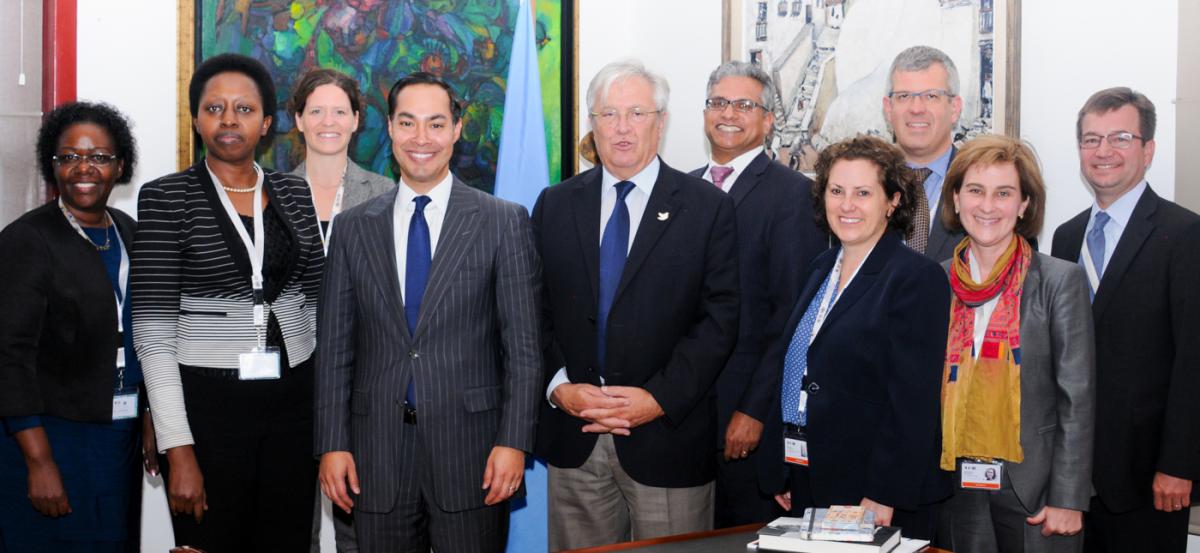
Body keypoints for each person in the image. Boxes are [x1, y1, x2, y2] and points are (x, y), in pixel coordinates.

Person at [314, 71, 541, 553]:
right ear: (390, 129)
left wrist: (515, 441)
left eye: (436, 124)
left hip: (475, 455)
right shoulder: (354, 228)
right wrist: (332, 444)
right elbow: (335, 349)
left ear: (457, 129)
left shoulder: (502, 222)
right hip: (375, 457)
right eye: (408, 123)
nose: (422, 139)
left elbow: (522, 348)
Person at [533, 59, 740, 551]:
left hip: (666, 439)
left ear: (661, 122)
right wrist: (559, 387)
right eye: (608, 114)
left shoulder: (706, 207)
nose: (622, 128)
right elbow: (529, 311)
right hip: (574, 435)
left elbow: (720, 320)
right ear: (593, 124)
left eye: (637, 113)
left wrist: (658, 399)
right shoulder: (555, 204)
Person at [131, 53, 324, 551]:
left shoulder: (295, 192)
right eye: (214, 108)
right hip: (208, 406)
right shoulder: (165, 198)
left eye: (243, 108)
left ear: (266, 123)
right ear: (196, 119)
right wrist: (179, 448)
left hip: (293, 404)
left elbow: (318, 301)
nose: (229, 119)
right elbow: (153, 336)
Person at [766, 135, 950, 540]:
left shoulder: (916, 278)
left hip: (872, 487)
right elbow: (799, 369)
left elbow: (913, 400)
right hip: (810, 474)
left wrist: (884, 492)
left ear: (892, 201)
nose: (847, 205)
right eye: (837, 191)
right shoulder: (820, 266)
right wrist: (785, 467)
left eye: (863, 193)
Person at [1051, 87, 1200, 553]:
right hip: (1070, 477)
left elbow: (1194, 361)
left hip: (1149, 479)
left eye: (1120, 137)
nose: (1104, 151)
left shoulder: (1185, 235)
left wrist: (1180, 465)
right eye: (1091, 139)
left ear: (1148, 149)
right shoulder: (1065, 236)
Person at [0, 101, 149, 553]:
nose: (84, 168)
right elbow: (9, 355)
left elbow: (142, 333)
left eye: (99, 157)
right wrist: (40, 460)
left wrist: (150, 416)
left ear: (119, 165)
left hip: (116, 434)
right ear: (54, 164)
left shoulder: (129, 232)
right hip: (52, 437)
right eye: (70, 157)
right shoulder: (27, 239)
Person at [936, 135, 1095, 552]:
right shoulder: (934, 281)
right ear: (955, 198)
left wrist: (1068, 497)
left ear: (1024, 204)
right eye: (975, 190)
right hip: (955, 483)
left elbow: (1076, 398)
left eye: (1003, 193)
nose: (987, 206)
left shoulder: (1059, 281)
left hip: (1037, 489)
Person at [690, 60, 827, 527]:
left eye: (745, 105)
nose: (729, 113)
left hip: (745, 420)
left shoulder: (793, 196)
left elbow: (793, 318)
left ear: (768, 121)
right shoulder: (680, 190)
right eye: (719, 102)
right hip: (680, 420)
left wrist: (754, 410)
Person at [287, 67, 394, 553]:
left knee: (362, 526)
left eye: (339, 111)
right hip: (288, 383)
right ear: (298, 120)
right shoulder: (270, 196)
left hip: (364, 386)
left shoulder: (389, 197)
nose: (328, 121)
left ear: (356, 121)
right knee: (290, 524)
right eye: (316, 111)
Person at [883, 45, 965, 261]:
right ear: (888, 108)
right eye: (903, 96)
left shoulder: (985, 190)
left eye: (931, 96)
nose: (917, 108)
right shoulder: (864, 188)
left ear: (954, 108)